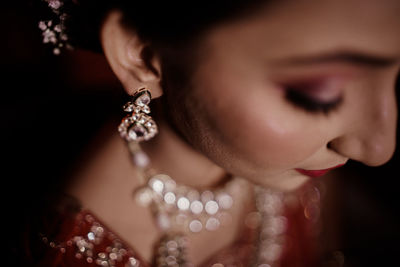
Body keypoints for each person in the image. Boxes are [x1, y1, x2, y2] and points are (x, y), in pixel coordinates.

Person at [15, 0, 400, 266]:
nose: (379, 147)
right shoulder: (72, 252)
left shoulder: (302, 167)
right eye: (319, 95)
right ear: (142, 54)